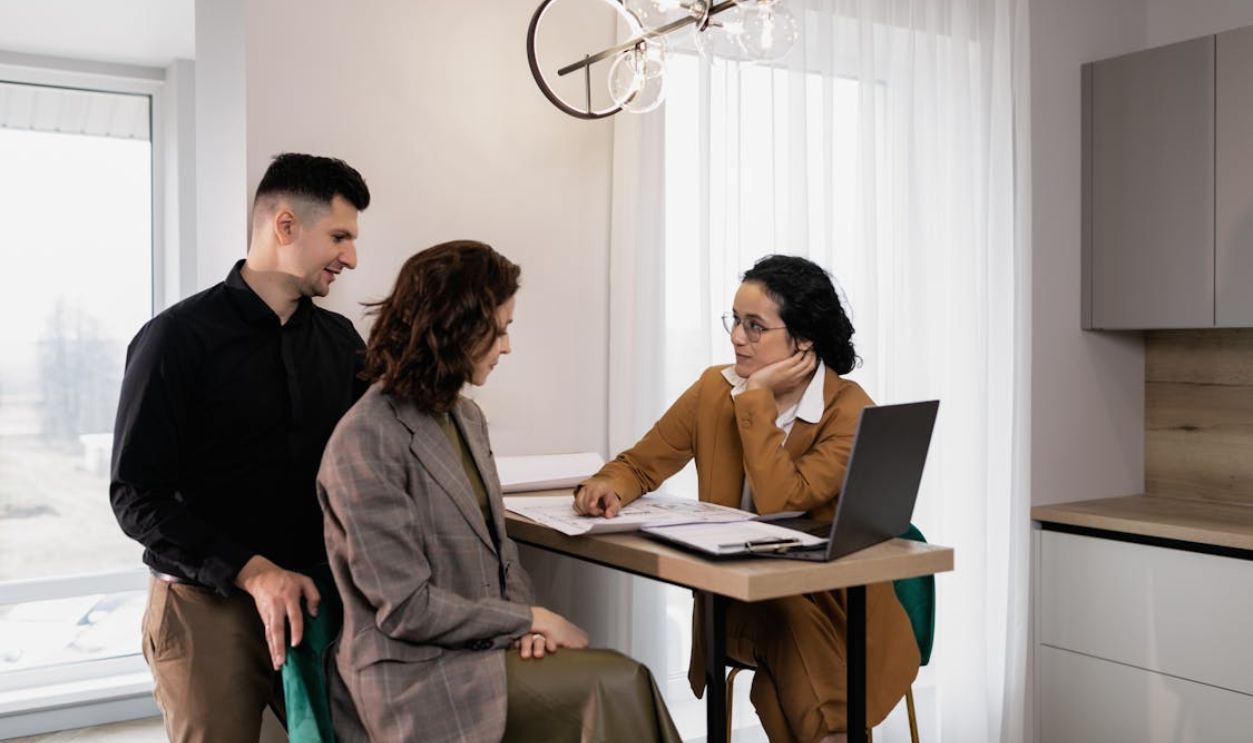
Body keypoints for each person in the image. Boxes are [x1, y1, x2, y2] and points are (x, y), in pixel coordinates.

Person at [317, 240, 680, 743]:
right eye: (501, 330)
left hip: (479, 652)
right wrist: (527, 619)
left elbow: (502, 555)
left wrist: (526, 630)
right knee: (615, 681)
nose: (507, 346)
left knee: (618, 678)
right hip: (412, 676)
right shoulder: (365, 438)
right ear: (457, 329)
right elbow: (404, 609)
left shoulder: (465, 417)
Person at [574, 254, 920, 743]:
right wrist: (607, 484)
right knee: (782, 626)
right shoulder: (712, 391)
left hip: (836, 612)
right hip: (738, 601)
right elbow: (640, 463)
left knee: (779, 682)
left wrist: (754, 397)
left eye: (754, 326)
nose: (737, 337)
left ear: (803, 340)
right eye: (734, 321)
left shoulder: (849, 411)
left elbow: (784, 498)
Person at [110, 153, 371, 742]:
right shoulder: (173, 340)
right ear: (285, 226)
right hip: (205, 608)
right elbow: (135, 497)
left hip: (317, 601)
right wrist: (253, 573)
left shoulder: (342, 343)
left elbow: (376, 459)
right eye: (339, 236)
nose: (350, 257)